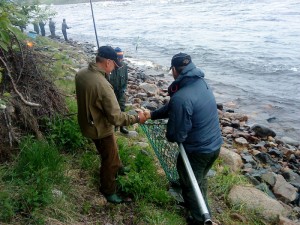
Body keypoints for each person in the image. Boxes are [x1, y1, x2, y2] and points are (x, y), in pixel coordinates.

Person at [144, 53, 223, 225]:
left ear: (174, 70)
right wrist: (151, 114)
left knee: (189, 183)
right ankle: (203, 211)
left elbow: (176, 135)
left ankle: (198, 219)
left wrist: (170, 132)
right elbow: (174, 106)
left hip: (198, 151)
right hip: (215, 145)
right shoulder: (199, 83)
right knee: (199, 179)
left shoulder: (182, 95)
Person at [75, 46, 146, 204]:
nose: (115, 69)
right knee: (110, 160)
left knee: (111, 150)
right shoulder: (103, 85)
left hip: (86, 123)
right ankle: (109, 190)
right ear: (107, 62)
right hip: (99, 129)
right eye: (114, 65)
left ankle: (119, 167)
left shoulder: (81, 74)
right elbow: (116, 118)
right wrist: (137, 118)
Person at [107, 47, 129, 134]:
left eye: (121, 57)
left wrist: (124, 89)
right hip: (111, 92)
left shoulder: (124, 66)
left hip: (121, 92)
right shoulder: (109, 67)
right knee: (112, 109)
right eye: (118, 58)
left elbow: (126, 79)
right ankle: (114, 126)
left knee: (122, 109)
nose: (120, 59)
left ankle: (122, 127)